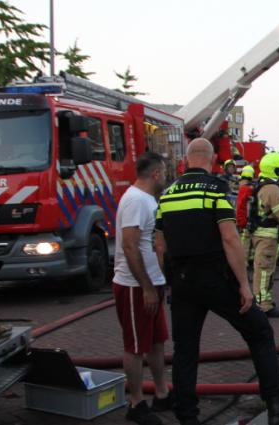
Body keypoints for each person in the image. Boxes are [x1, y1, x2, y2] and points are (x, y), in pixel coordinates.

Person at [155, 139, 279, 425]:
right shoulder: (215, 189)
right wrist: (243, 284)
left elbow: (159, 244)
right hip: (214, 278)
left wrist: (168, 282)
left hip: (181, 282)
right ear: (212, 158)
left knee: (185, 350)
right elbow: (229, 238)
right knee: (259, 331)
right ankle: (276, 402)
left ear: (187, 159)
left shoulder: (167, 195)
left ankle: (186, 415)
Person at [112, 152, 171, 425]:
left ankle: (161, 393)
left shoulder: (148, 200)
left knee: (156, 341)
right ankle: (136, 402)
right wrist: (146, 286)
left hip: (152, 284)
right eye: (166, 172)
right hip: (136, 286)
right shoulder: (136, 200)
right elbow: (129, 246)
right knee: (135, 345)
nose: (168, 177)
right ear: (156, 174)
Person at [249, 152, 279, 317]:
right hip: (267, 237)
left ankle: (265, 299)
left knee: (266, 269)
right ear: (276, 170)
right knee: (263, 271)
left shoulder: (263, 185)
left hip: (263, 234)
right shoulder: (272, 188)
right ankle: (263, 305)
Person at [236, 165, 256, 262]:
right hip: (254, 221)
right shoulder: (254, 188)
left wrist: (240, 222)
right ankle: (251, 258)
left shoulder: (243, 189)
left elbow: (240, 206)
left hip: (245, 221)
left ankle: (243, 263)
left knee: (244, 242)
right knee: (252, 240)